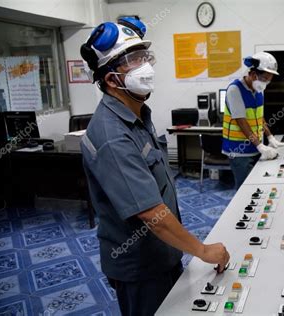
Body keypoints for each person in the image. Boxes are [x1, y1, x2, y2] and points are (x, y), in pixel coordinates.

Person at [79, 17, 230, 315]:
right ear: (111, 80)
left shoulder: (137, 114)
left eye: (145, 55)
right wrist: (202, 251)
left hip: (164, 252)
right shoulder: (112, 135)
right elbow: (152, 214)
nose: (145, 65)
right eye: (134, 60)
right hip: (140, 266)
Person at [222, 52, 284, 188]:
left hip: (255, 147)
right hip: (238, 151)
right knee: (244, 190)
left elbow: (259, 116)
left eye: (269, 80)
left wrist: (270, 137)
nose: (266, 83)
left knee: (257, 188)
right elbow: (241, 121)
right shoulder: (235, 90)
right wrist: (260, 145)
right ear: (252, 75)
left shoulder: (258, 89)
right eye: (264, 79)